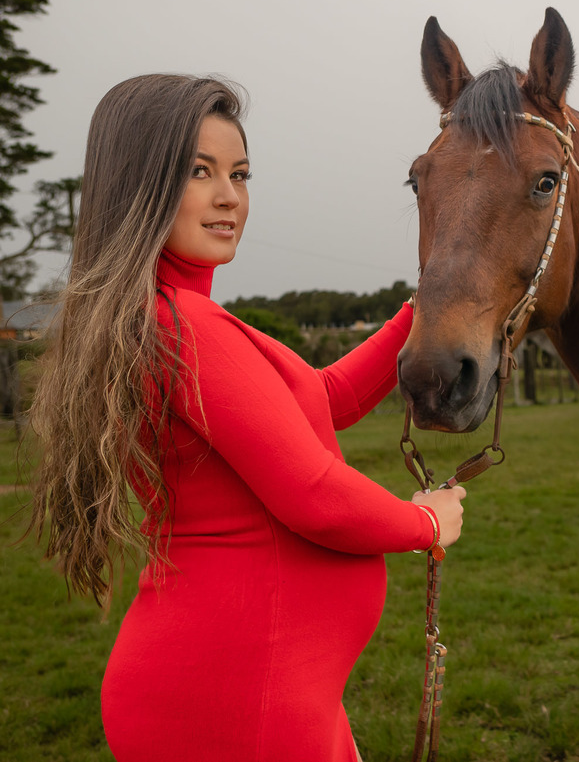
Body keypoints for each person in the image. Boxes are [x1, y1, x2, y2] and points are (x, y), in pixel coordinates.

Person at [26, 74, 466, 761]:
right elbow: (312, 493)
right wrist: (427, 521)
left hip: (254, 690)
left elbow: (321, 398)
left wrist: (424, 312)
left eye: (240, 172)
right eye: (199, 172)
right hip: (237, 699)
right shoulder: (177, 325)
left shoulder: (176, 317)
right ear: (140, 184)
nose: (229, 196)